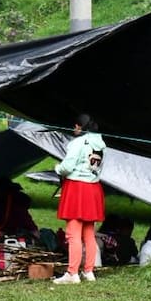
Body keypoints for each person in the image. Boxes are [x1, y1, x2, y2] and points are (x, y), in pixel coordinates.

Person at [52, 114, 106, 285]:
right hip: (93, 187)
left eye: (75, 127)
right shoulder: (101, 144)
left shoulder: (78, 143)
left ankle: (72, 273)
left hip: (77, 188)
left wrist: (57, 168)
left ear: (80, 127)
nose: (74, 129)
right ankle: (88, 271)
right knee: (89, 233)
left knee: (73, 234)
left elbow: (67, 167)